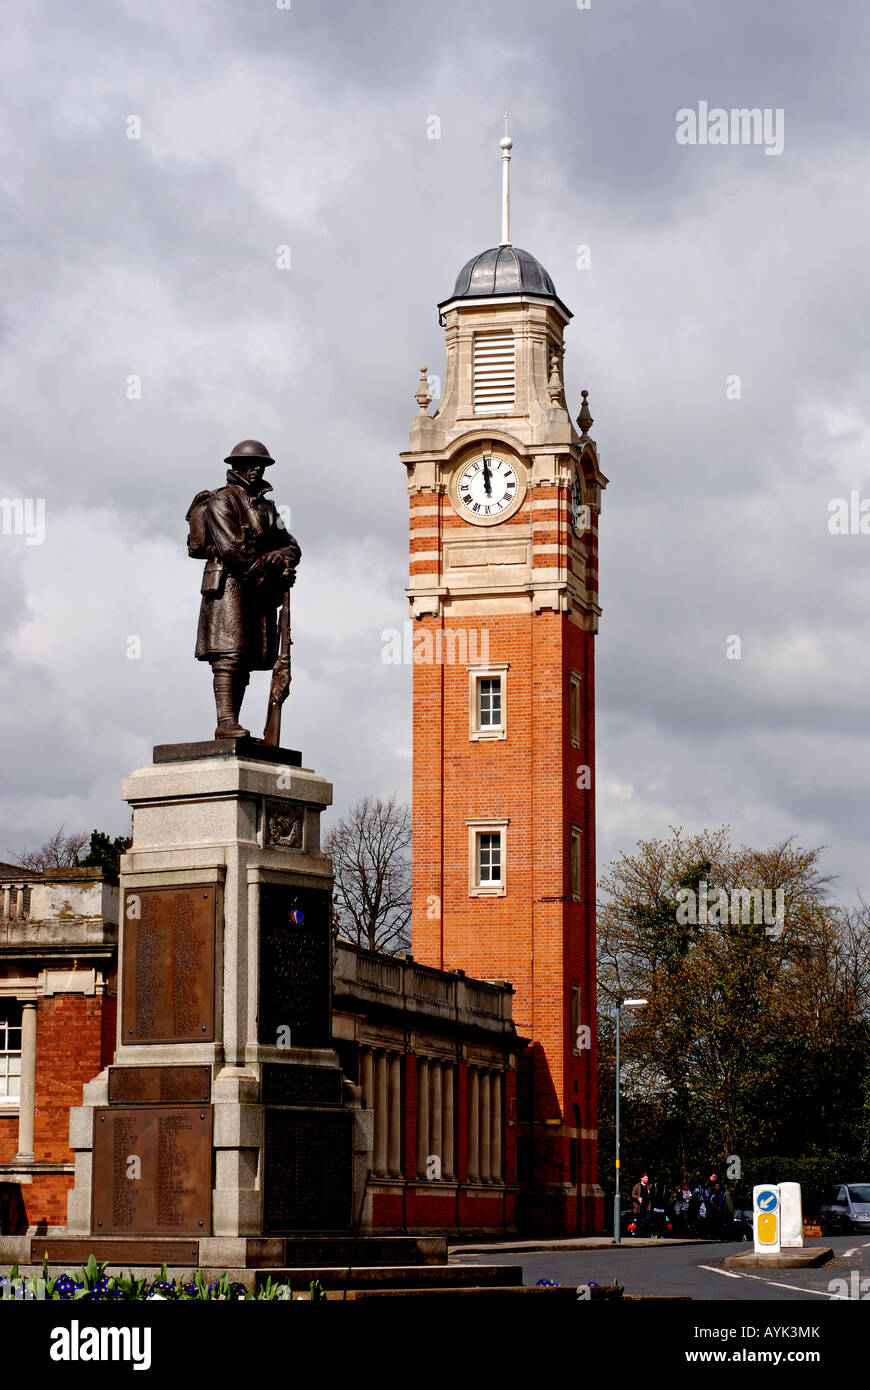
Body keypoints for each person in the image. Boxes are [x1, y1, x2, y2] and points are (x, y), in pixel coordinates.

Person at [191, 440, 300, 738]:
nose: (256, 470)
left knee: (247, 658)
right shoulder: (221, 502)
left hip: (255, 591)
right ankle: (226, 721)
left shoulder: (267, 507)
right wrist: (270, 566)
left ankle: (232, 723)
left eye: (260, 465)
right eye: (250, 464)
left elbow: (292, 547)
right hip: (229, 588)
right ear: (235, 466)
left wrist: (276, 558)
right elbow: (234, 551)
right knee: (229, 655)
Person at [632, 1172, 652, 1237]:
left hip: (647, 1207)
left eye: (647, 1178)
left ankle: (645, 1235)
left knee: (647, 1222)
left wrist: (650, 1192)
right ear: (642, 1178)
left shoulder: (649, 1186)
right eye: (646, 1178)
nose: (647, 1180)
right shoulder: (637, 1186)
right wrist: (638, 1198)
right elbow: (633, 1194)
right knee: (639, 1222)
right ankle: (638, 1235)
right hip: (639, 1207)